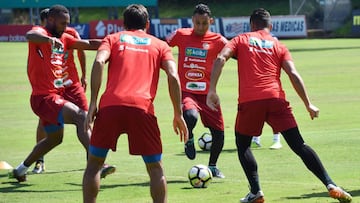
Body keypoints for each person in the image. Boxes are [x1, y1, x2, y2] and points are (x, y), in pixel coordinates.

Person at [207, 8, 352, 203]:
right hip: (276, 99)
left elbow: (220, 58)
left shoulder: (241, 39)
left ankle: (256, 191)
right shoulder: (278, 45)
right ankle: (330, 184)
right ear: (271, 26)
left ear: (251, 25)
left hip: (251, 101)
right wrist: (308, 104)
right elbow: (293, 74)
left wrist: (212, 90)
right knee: (299, 145)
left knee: (243, 145)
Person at [82, 4, 188, 203]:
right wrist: (178, 113)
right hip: (142, 109)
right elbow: (173, 76)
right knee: (155, 168)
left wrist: (93, 103)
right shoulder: (160, 45)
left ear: (123, 24)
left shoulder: (112, 38)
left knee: (94, 164)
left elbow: (98, 62)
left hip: (110, 107)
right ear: (147, 24)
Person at [9, 4, 103, 182]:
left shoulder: (65, 37)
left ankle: (21, 169)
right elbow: (30, 35)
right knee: (81, 117)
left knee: (54, 139)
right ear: (50, 20)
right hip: (43, 98)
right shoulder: (41, 33)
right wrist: (48, 41)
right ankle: (98, 164)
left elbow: (89, 44)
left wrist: (113, 42)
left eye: (67, 23)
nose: (65, 27)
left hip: (54, 97)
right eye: (62, 23)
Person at [30, 8, 116, 178]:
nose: (64, 26)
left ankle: (93, 162)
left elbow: (83, 50)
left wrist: (84, 75)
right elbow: (32, 39)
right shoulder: (41, 35)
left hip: (72, 84)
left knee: (86, 119)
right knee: (45, 124)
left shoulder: (69, 33)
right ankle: (39, 160)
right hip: (51, 87)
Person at [166, 3, 227, 178]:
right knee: (191, 116)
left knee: (219, 133)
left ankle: (213, 166)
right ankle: (190, 137)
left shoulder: (218, 40)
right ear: (192, 20)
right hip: (187, 91)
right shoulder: (181, 34)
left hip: (208, 94)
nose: (200, 27)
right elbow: (162, 46)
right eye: (197, 23)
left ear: (211, 21)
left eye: (204, 23)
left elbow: (235, 51)